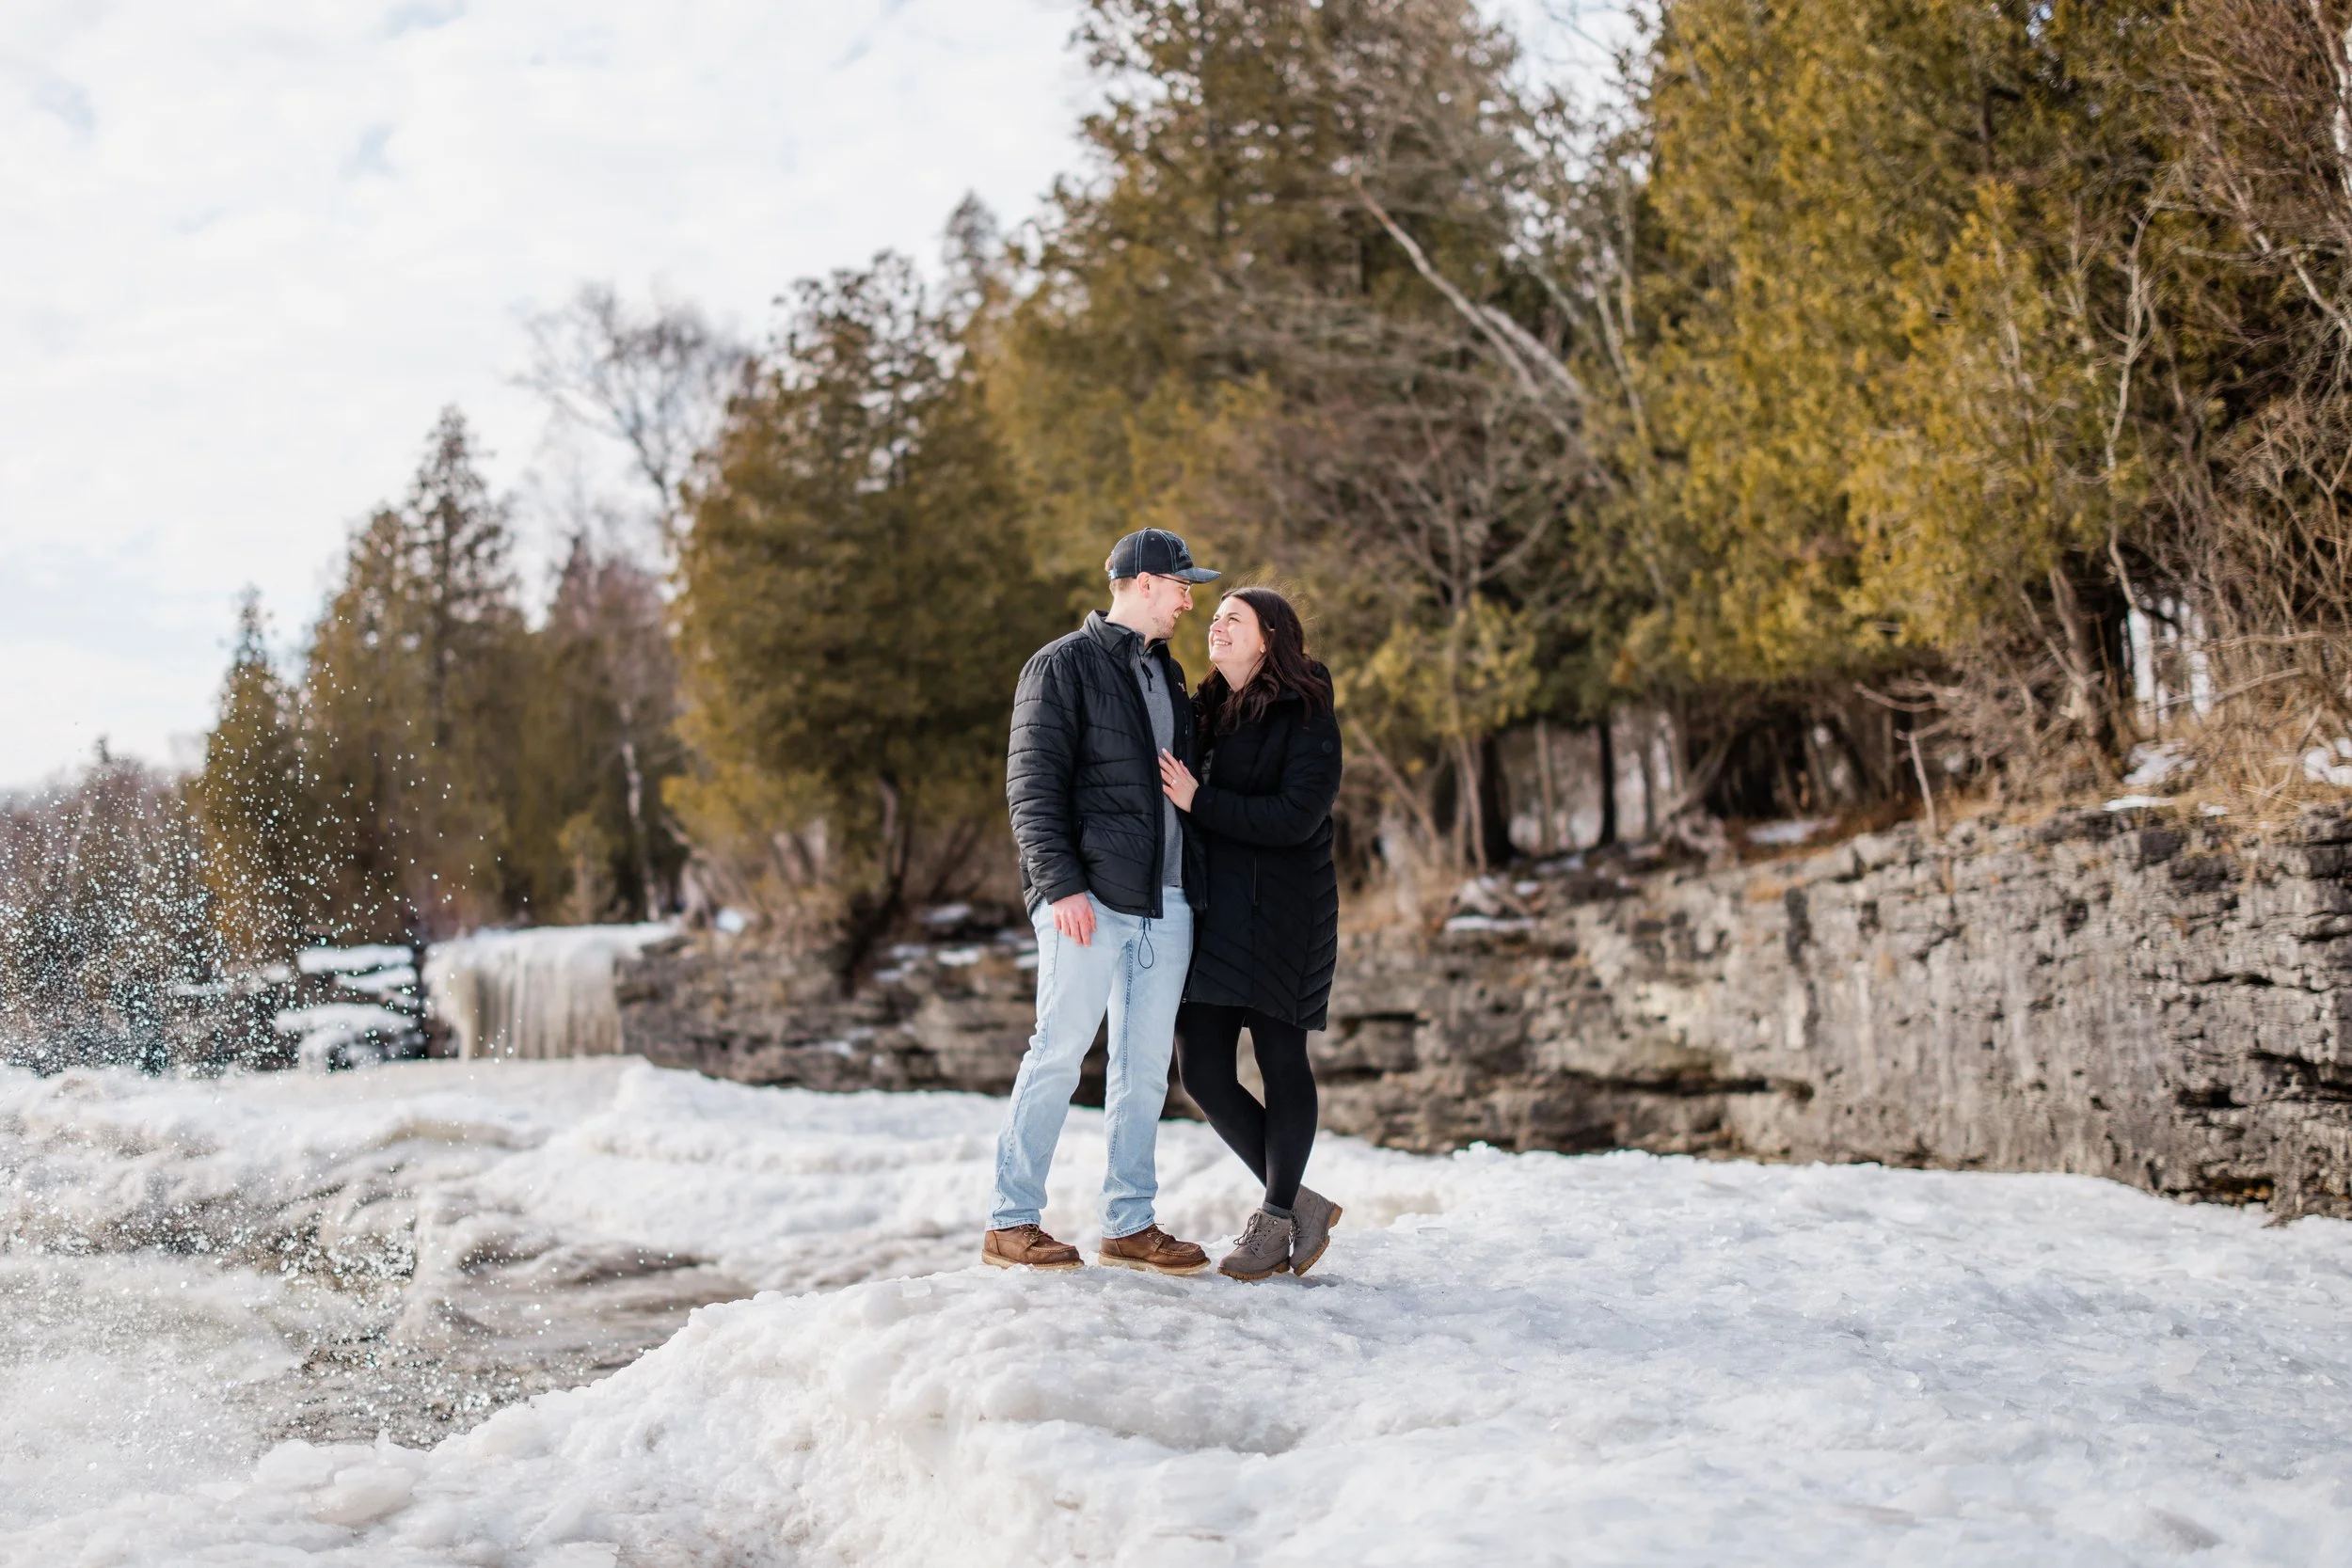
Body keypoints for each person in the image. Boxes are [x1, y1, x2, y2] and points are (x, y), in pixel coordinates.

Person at [983, 528, 1220, 1275]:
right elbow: (1031, 785)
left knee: (1145, 1068)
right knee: (1057, 1052)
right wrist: (1061, 886)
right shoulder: (1061, 666)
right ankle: (1010, 1219)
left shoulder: (1168, 673)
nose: (1189, 599)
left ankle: (1128, 1220)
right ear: (1142, 583)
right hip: (1090, 900)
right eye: (1182, 584)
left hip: (1169, 900)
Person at [1156, 587, 1345, 1281]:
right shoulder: (1205, 710)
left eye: (1233, 618)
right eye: (1213, 618)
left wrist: (1201, 801)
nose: (1216, 626)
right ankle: (1300, 1203)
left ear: (1271, 636)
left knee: (1279, 1054)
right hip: (1216, 913)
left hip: (1286, 911)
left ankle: (1272, 1218)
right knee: (1201, 1068)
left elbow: (1298, 817)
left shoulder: (1308, 709)